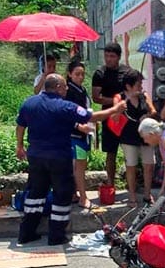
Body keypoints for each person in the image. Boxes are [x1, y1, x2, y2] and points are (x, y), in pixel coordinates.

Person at [16, 74, 125, 245]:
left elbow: (20, 125)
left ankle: (26, 232)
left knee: (35, 195)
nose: (67, 89)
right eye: (65, 86)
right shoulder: (65, 106)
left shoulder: (29, 103)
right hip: (59, 158)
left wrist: (19, 146)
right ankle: (56, 236)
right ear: (58, 86)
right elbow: (92, 117)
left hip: (36, 156)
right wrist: (114, 109)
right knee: (62, 195)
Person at [92, 42, 134, 189]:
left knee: (130, 150)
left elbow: (133, 91)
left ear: (118, 57)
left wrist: (125, 103)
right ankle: (111, 183)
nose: (108, 59)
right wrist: (116, 102)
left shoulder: (127, 72)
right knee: (111, 152)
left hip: (126, 117)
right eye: (106, 56)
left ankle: (131, 184)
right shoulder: (100, 73)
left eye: (112, 56)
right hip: (108, 117)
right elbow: (96, 97)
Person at [118, 70, 157, 207]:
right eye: (138, 83)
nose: (141, 86)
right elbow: (115, 116)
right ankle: (132, 196)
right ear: (129, 86)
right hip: (128, 136)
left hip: (145, 135)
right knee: (131, 165)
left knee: (149, 165)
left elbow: (153, 110)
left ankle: (147, 194)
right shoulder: (120, 97)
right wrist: (128, 99)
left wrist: (147, 116)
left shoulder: (144, 95)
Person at [64, 60, 94, 213]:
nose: (80, 77)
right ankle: (83, 197)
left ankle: (74, 193)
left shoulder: (82, 90)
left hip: (85, 133)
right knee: (79, 166)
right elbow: (67, 113)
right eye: (77, 74)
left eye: (82, 74)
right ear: (69, 74)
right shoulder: (68, 91)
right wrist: (78, 126)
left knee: (79, 165)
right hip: (74, 134)